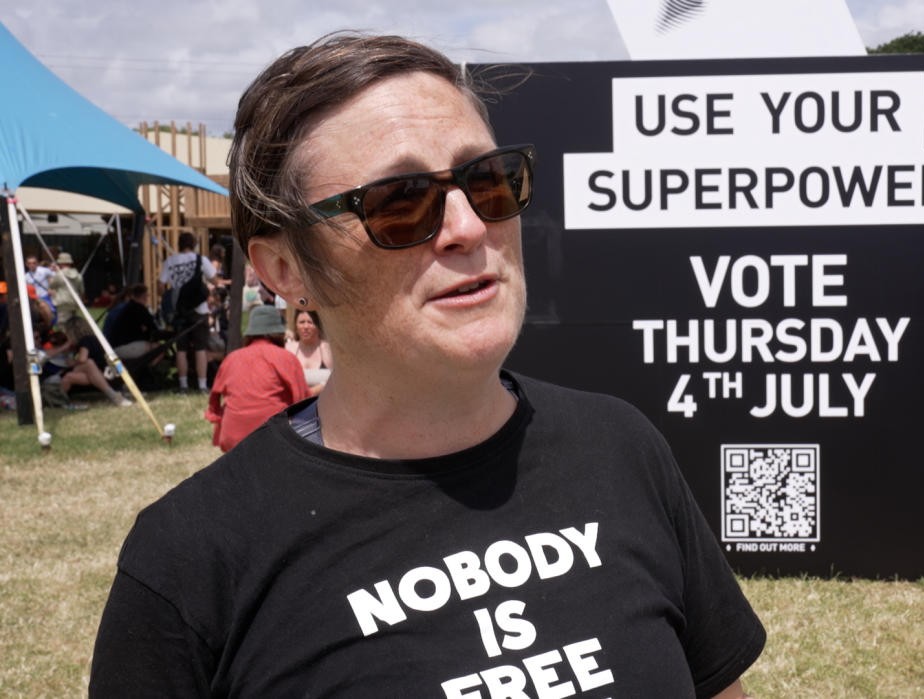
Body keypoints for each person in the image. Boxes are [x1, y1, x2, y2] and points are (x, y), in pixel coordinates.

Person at [91, 32, 764, 698]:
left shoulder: (620, 449)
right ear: (285, 269)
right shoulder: (193, 558)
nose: (469, 226)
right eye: (400, 200)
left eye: (488, 179)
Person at [203, 305, 310, 453]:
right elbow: (302, 401)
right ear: (279, 333)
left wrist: (217, 417)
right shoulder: (286, 358)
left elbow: (214, 398)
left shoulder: (232, 358)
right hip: (272, 439)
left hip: (232, 439)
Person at [159, 232, 218, 393]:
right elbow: (214, 279)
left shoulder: (169, 261)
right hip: (199, 310)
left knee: (181, 349)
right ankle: (202, 385)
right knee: (200, 348)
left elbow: (161, 286)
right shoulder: (201, 260)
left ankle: (183, 385)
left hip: (180, 310)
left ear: (178, 244)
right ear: (193, 244)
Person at [44, 318, 131, 407]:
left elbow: (82, 359)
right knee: (70, 377)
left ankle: (114, 396)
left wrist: (72, 361)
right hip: (104, 374)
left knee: (88, 364)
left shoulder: (85, 340)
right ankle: (115, 395)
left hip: (100, 372)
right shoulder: (95, 339)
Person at [103, 284, 159, 361]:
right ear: (144, 296)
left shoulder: (124, 308)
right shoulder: (137, 309)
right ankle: (148, 370)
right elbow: (153, 329)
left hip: (110, 345)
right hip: (118, 348)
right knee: (158, 348)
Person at [285, 308, 332, 394]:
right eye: (302, 322)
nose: (306, 327)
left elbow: (338, 378)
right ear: (296, 325)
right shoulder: (288, 349)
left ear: (318, 325)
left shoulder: (328, 349)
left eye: (310, 322)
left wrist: (314, 391)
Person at [48, 251, 85, 322]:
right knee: (73, 323)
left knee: (63, 324)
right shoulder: (78, 275)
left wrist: (53, 276)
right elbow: (82, 291)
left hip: (62, 303)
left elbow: (51, 285)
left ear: (60, 263)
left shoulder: (59, 275)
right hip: (74, 303)